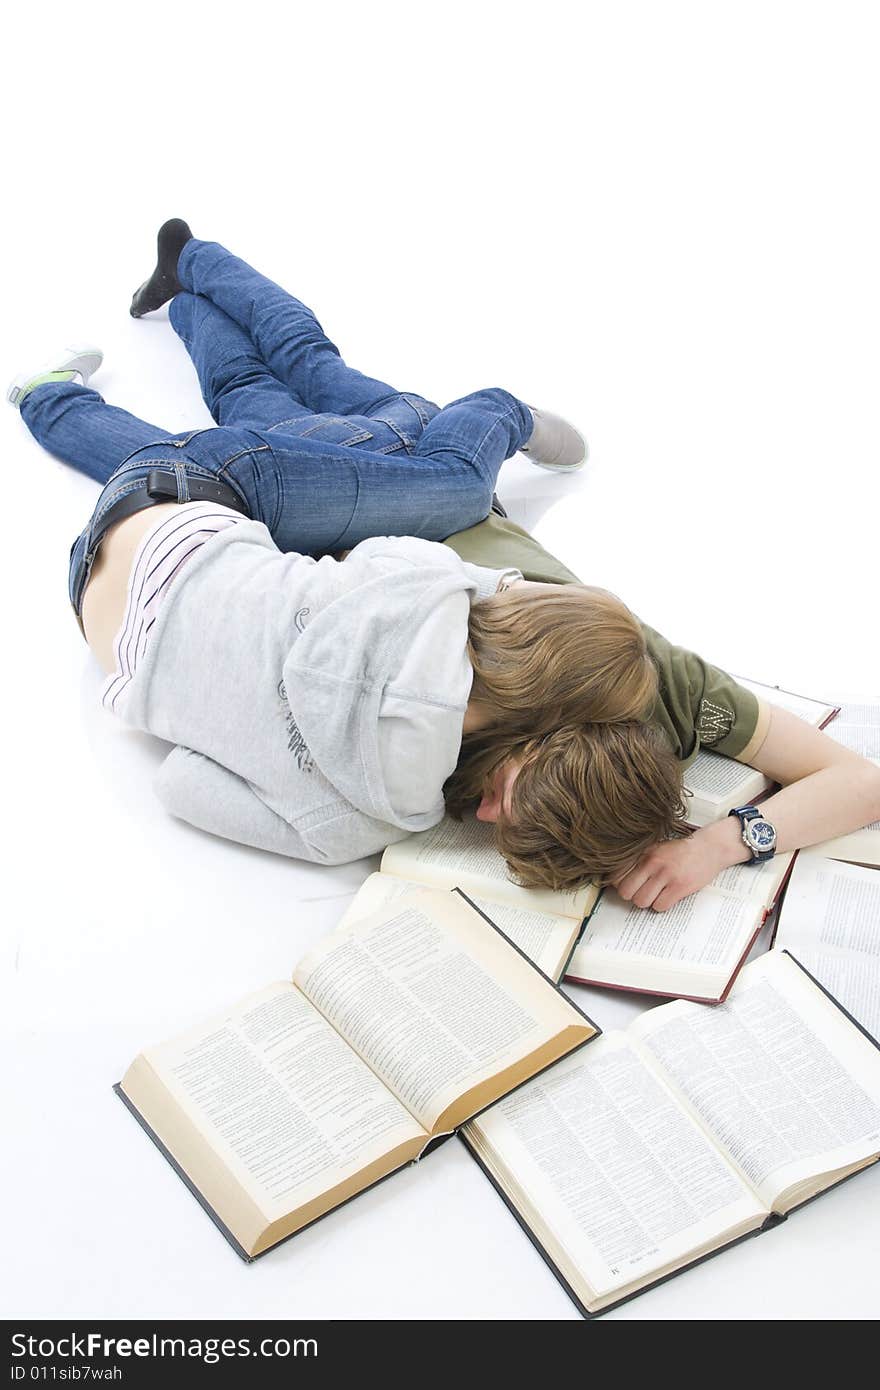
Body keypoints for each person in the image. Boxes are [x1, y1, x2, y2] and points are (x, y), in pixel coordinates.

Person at [7, 226, 688, 887]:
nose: (484, 817)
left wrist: (490, 591)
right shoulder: (353, 828)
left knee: (410, 446)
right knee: (264, 395)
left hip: (196, 496)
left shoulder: (428, 593)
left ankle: (495, 411)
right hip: (94, 598)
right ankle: (149, 322)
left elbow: (377, 545)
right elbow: (179, 782)